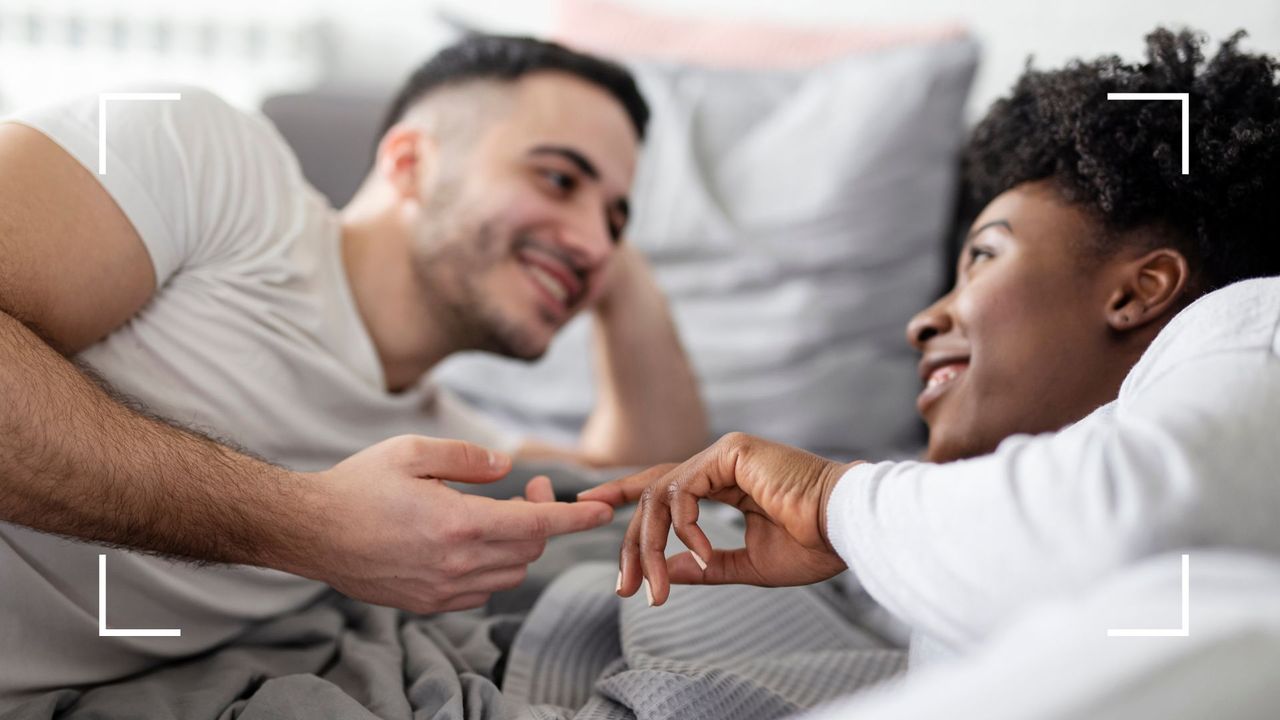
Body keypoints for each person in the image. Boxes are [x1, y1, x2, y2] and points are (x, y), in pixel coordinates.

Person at [0, 35, 705, 700]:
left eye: (616, 218)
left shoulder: (434, 438)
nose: (591, 240)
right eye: (558, 178)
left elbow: (653, 474)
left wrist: (623, 274)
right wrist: (310, 524)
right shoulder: (210, 165)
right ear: (409, 163)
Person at [582, 26, 1280, 649]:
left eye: (982, 256)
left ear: (1138, 291)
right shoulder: (953, 557)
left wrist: (832, 502)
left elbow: (1134, 528)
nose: (922, 322)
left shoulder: (1256, 323)